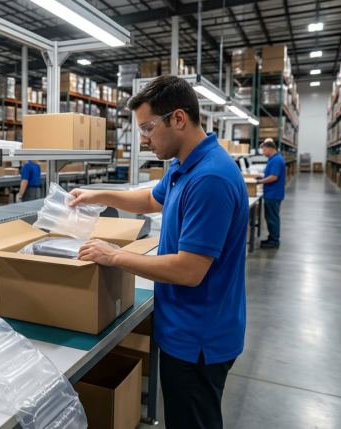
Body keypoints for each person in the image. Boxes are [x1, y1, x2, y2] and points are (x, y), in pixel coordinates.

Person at [69, 75, 247, 429]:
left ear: (178, 119)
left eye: (148, 127)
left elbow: (188, 271)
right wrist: (98, 195)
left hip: (199, 337)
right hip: (185, 324)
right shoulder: (185, 164)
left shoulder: (210, 178)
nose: (143, 138)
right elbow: (151, 199)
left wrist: (114, 255)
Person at [256, 138, 286, 249]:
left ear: (270, 149)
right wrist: (262, 177)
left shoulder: (276, 160)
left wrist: (260, 181)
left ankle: (274, 240)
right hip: (271, 193)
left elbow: (274, 177)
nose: (263, 153)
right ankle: (272, 237)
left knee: (272, 218)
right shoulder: (273, 158)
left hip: (273, 194)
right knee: (270, 217)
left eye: (264, 150)